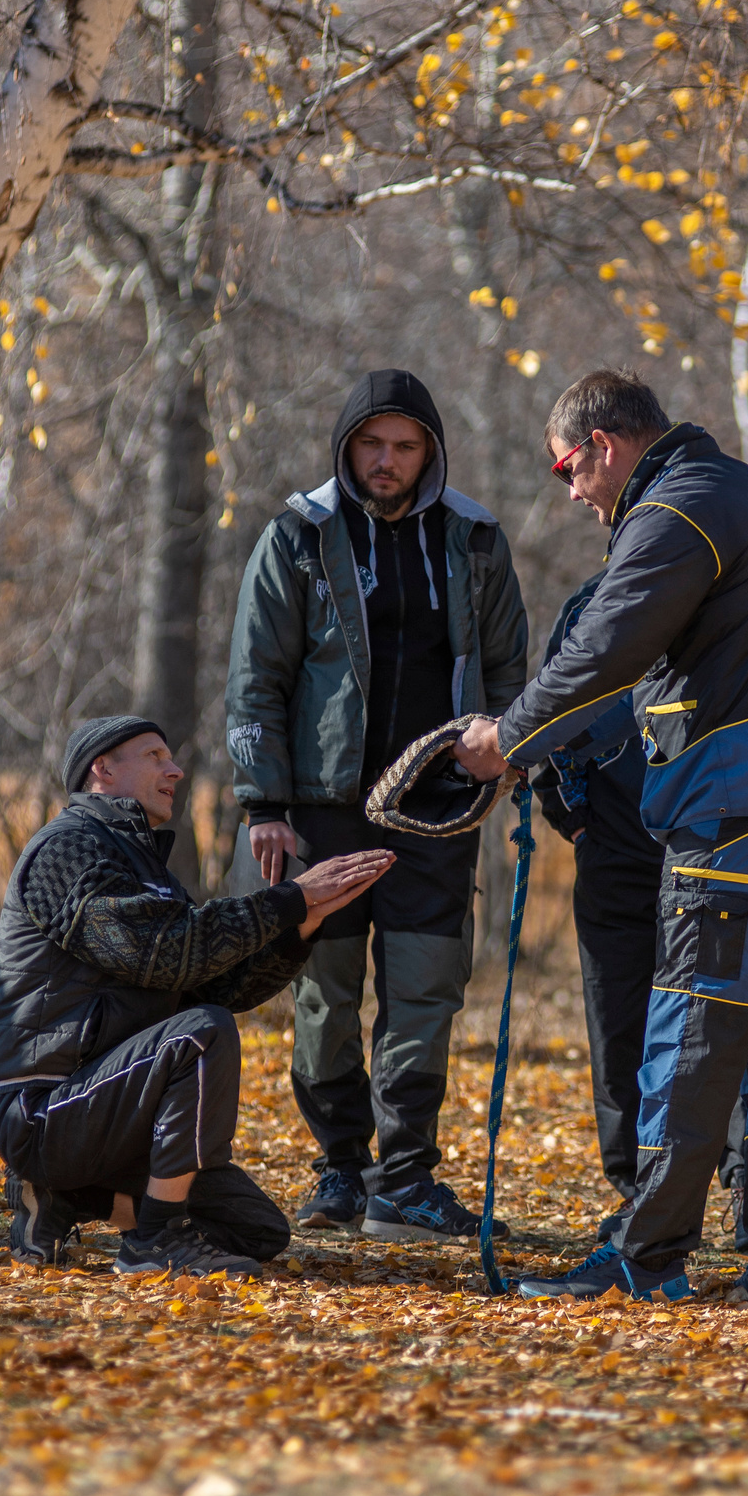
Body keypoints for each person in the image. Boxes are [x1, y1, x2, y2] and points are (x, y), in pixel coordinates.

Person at [452, 369, 748, 1306]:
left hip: (741, 806)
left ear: (604, 445)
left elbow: (609, 638)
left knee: (690, 1028)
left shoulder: (676, 510)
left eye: (571, 469)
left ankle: (645, 1260)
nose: (573, 494)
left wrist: (510, 738)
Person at [224, 370, 529, 1242]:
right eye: (371, 444)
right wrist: (263, 804)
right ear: (346, 447)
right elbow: (258, 678)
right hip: (322, 805)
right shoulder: (297, 536)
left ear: (429, 450)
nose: (386, 461)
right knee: (325, 988)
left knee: (425, 987)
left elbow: (511, 670)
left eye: (404, 446)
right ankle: (340, 1170)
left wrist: (503, 755)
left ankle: (406, 1178)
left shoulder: (474, 538)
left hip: (438, 804)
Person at [0, 719, 392, 1276]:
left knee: (256, 1230)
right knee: (203, 1032)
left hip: (117, 1107)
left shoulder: (145, 866)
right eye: (154, 755)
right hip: (46, 1110)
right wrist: (286, 901)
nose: (175, 770)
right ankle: (154, 1240)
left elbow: (214, 982)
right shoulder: (67, 848)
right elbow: (158, 950)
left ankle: (63, 1200)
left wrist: (303, 925)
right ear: (102, 769)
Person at [529, 568, 666, 1242]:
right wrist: (576, 820)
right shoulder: (591, 602)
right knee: (619, 1026)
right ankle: (634, 1186)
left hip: (710, 846)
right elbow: (542, 716)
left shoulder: (720, 595)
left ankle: (723, 1179)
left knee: (713, 1022)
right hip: (612, 851)